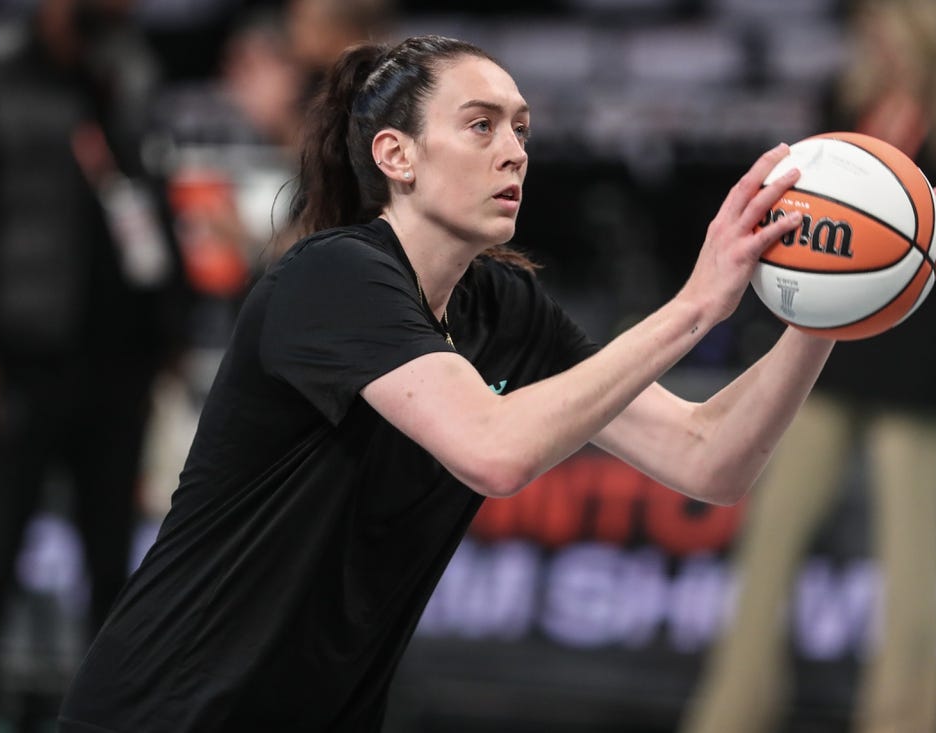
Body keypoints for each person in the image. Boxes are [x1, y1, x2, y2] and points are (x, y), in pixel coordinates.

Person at [58, 33, 861, 732]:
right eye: (480, 126)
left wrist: (829, 308)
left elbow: (709, 459)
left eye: (520, 128)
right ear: (395, 156)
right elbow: (493, 449)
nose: (514, 149)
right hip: (165, 713)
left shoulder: (502, 307)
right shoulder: (332, 276)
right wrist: (694, 308)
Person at [681, 2, 936, 732]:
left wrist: (913, 244)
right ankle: (728, 714)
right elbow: (797, 217)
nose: (880, 38)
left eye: (893, 23)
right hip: (824, 355)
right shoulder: (844, 100)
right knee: (766, 540)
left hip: (924, 362)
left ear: (927, 28)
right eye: (872, 25)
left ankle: (903, 720)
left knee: (914, 561)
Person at [0, 0, 189, 724]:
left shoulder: (131, 79)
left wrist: (166, 328)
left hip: (117, 362)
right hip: (22, 354)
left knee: (112, 560)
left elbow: (153, 208)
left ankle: (105, 712)